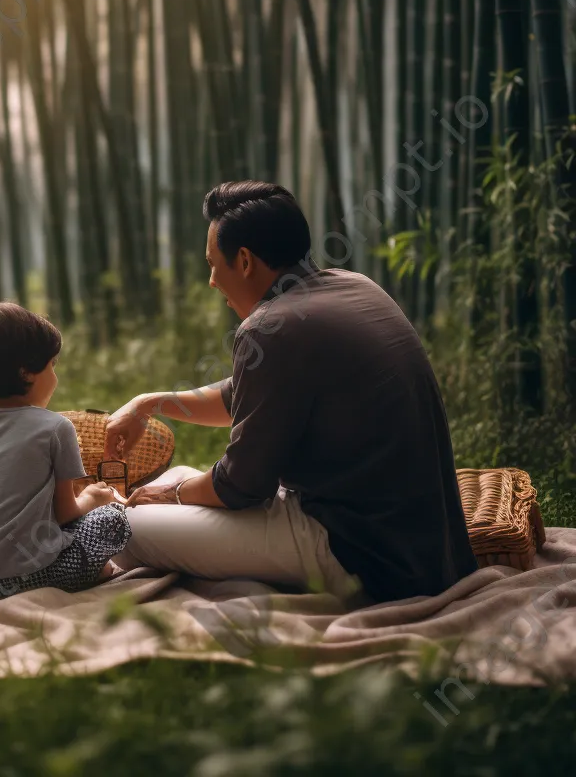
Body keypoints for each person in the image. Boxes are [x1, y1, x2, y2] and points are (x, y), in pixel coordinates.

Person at [107, 181, 478, 603]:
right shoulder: (353, 286)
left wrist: (169, 494)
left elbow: (240, 486)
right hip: (424, 547)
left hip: (360, 552)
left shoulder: (269, 329)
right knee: (173, 484)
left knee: (121, 527)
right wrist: (148, 405)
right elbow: (239, 395)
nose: (211, 281)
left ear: (244, 261)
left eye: (213, 264)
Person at [0, 302, 130, 600]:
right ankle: (89, 571)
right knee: (113, 518)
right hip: (23, 577)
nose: (55, 375)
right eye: (52, 365)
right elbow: (66, 513)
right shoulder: (55, 427)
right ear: (26, 372)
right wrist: (93, 498)